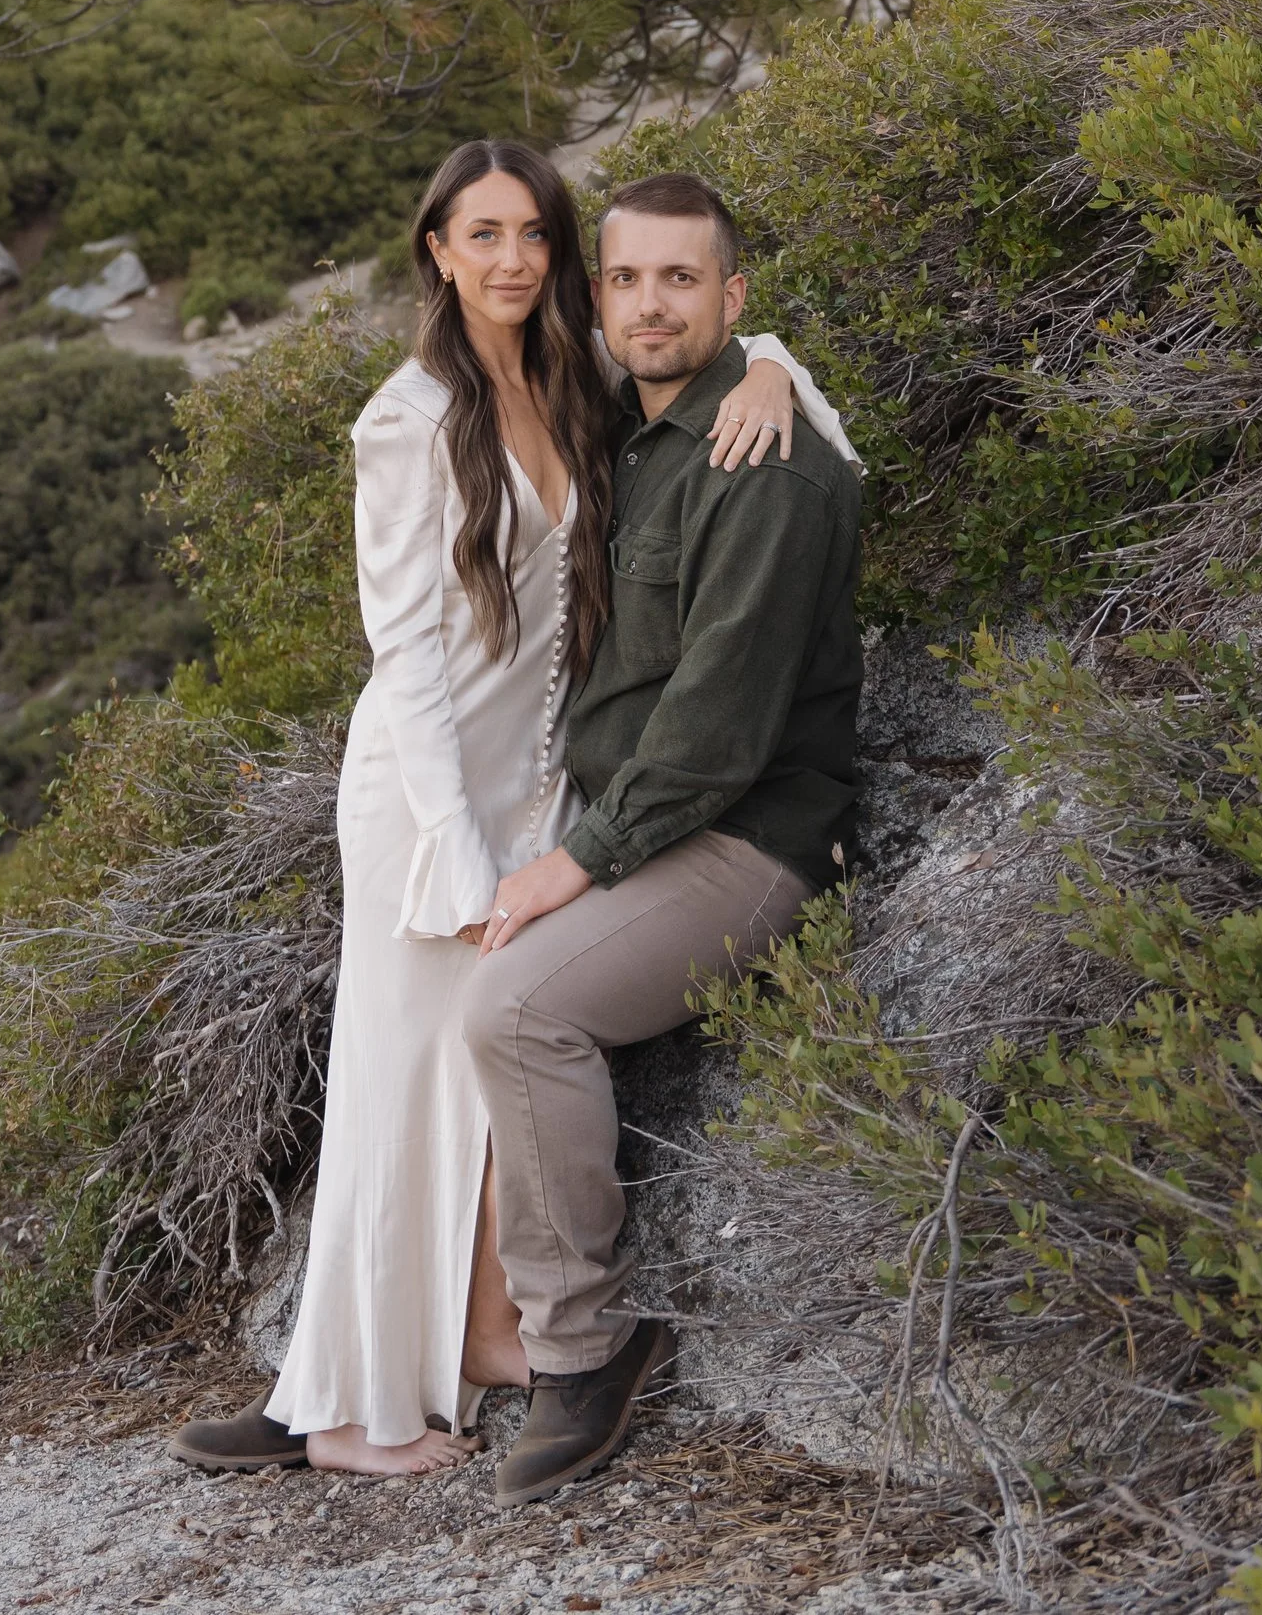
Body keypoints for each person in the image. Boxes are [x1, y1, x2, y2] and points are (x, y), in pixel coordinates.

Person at [167, 137, 848, 1480]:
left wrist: (774, 362)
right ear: (437, 248)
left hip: (544, 784)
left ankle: (488, 1338)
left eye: (534, 233)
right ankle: (337, 1393)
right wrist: (479, 858)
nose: (512, 259)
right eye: (482, 234)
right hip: (432, 795)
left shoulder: (577, 375)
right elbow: (407, 664)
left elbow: (721, 352)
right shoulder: (407, 417)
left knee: (478, 1077)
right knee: (392, 1079)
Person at [462, 166, 864, 1506]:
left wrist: (578, 858)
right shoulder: (633, 420)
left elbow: (714, 730)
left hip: (742, 840)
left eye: (682, 279)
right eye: (626, 277)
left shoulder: (765, 465)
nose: (650, 302)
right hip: (636, 819)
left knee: (516, 1009)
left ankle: (590, 1346)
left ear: (731, 295)